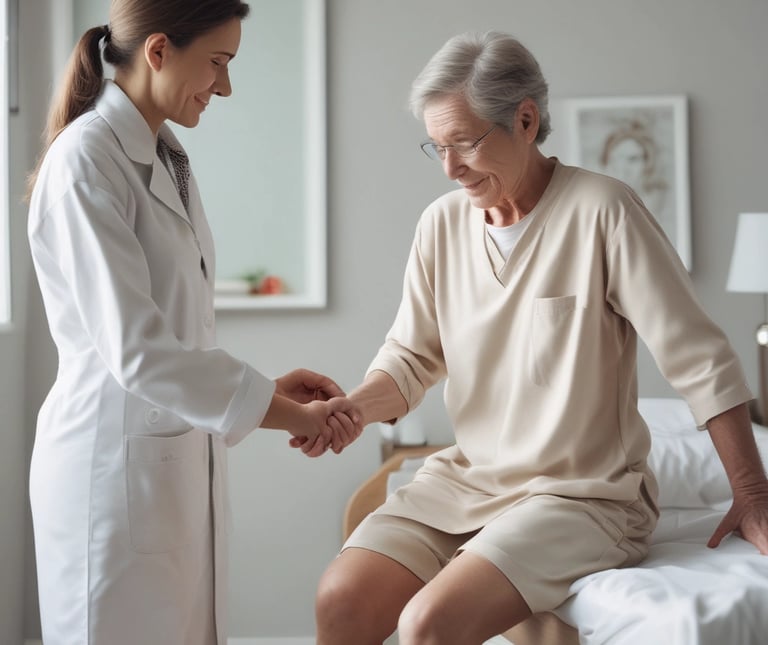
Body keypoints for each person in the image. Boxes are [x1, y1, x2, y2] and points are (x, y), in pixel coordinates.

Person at [309, 31, 768, 645]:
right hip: (467, 482)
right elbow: (412, 358)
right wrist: (352, 410)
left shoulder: (604, 210)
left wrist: (753, 492)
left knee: (426, 623)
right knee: (340, 599)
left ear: (526, 120)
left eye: (466, 144)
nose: (450, 168)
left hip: (581, 498)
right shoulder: (441, 225)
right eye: (437, 147)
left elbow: (698, 358)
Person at [25, 2, 361, 644]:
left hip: (163, 463)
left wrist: (268, 392)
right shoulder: (86, 161)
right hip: (109, 474)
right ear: (158, 52)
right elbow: (140, 352)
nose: (225, 86)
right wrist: (286, 415)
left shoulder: (166, 158)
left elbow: (174, 336)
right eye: (218, 63)